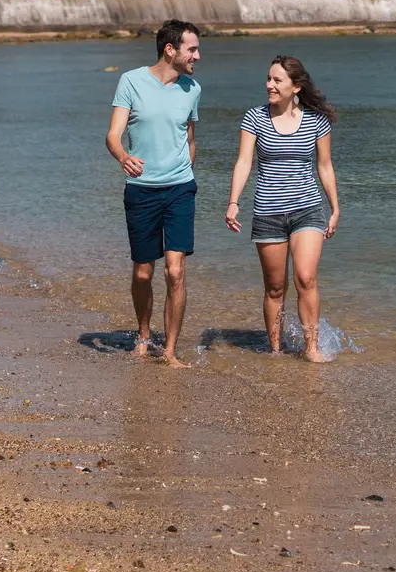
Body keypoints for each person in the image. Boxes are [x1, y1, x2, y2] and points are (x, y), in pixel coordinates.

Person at [224, 56, 340, 362]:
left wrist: (335, 207)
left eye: (277, 80)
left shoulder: (317, 121)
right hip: (268, 213)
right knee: (275, 287)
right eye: (268, 79)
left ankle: (311, 348)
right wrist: (233, 201)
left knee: (305, 278)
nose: (269, 85)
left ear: (296, 87)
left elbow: (325, 166)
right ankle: (275, 350)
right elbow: (244, 162)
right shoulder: (254, 118)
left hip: (308, 210)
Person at [105, 19, 202, 368]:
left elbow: (189, 141)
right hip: (141, 191)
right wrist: (123, 157)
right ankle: (144, 335)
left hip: (180, 190)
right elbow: (113, 135)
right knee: (144, 272)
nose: (197, 56)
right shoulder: (130, 81)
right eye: (192, 49)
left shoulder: (193, 89)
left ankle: (171, 350)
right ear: (170, 50)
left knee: (175, 271)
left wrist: (186, 175)